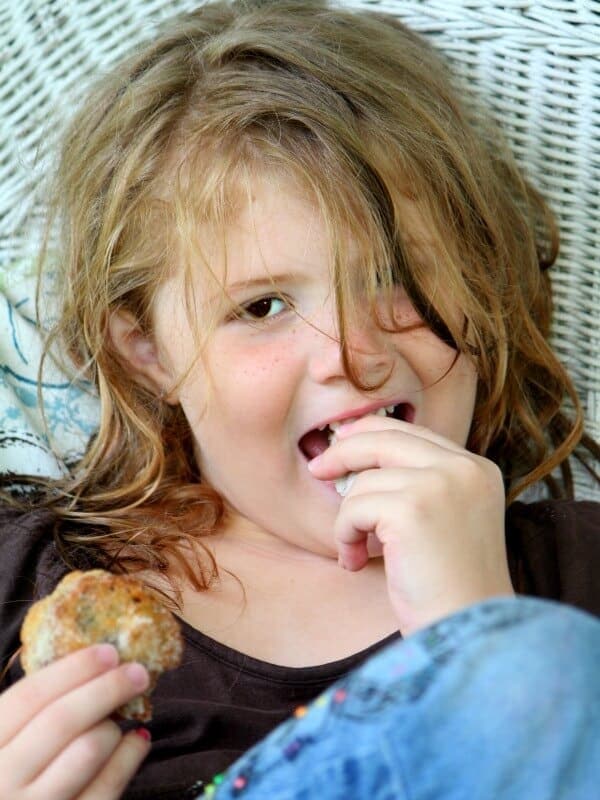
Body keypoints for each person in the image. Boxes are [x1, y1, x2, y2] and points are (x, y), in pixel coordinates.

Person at [0, 0, 598, 798]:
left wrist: (480, 639)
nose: (352, 357)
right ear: (146, 352)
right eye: (262, 308)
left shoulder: (581, 578)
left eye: (393, 276)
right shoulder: (18, 583)